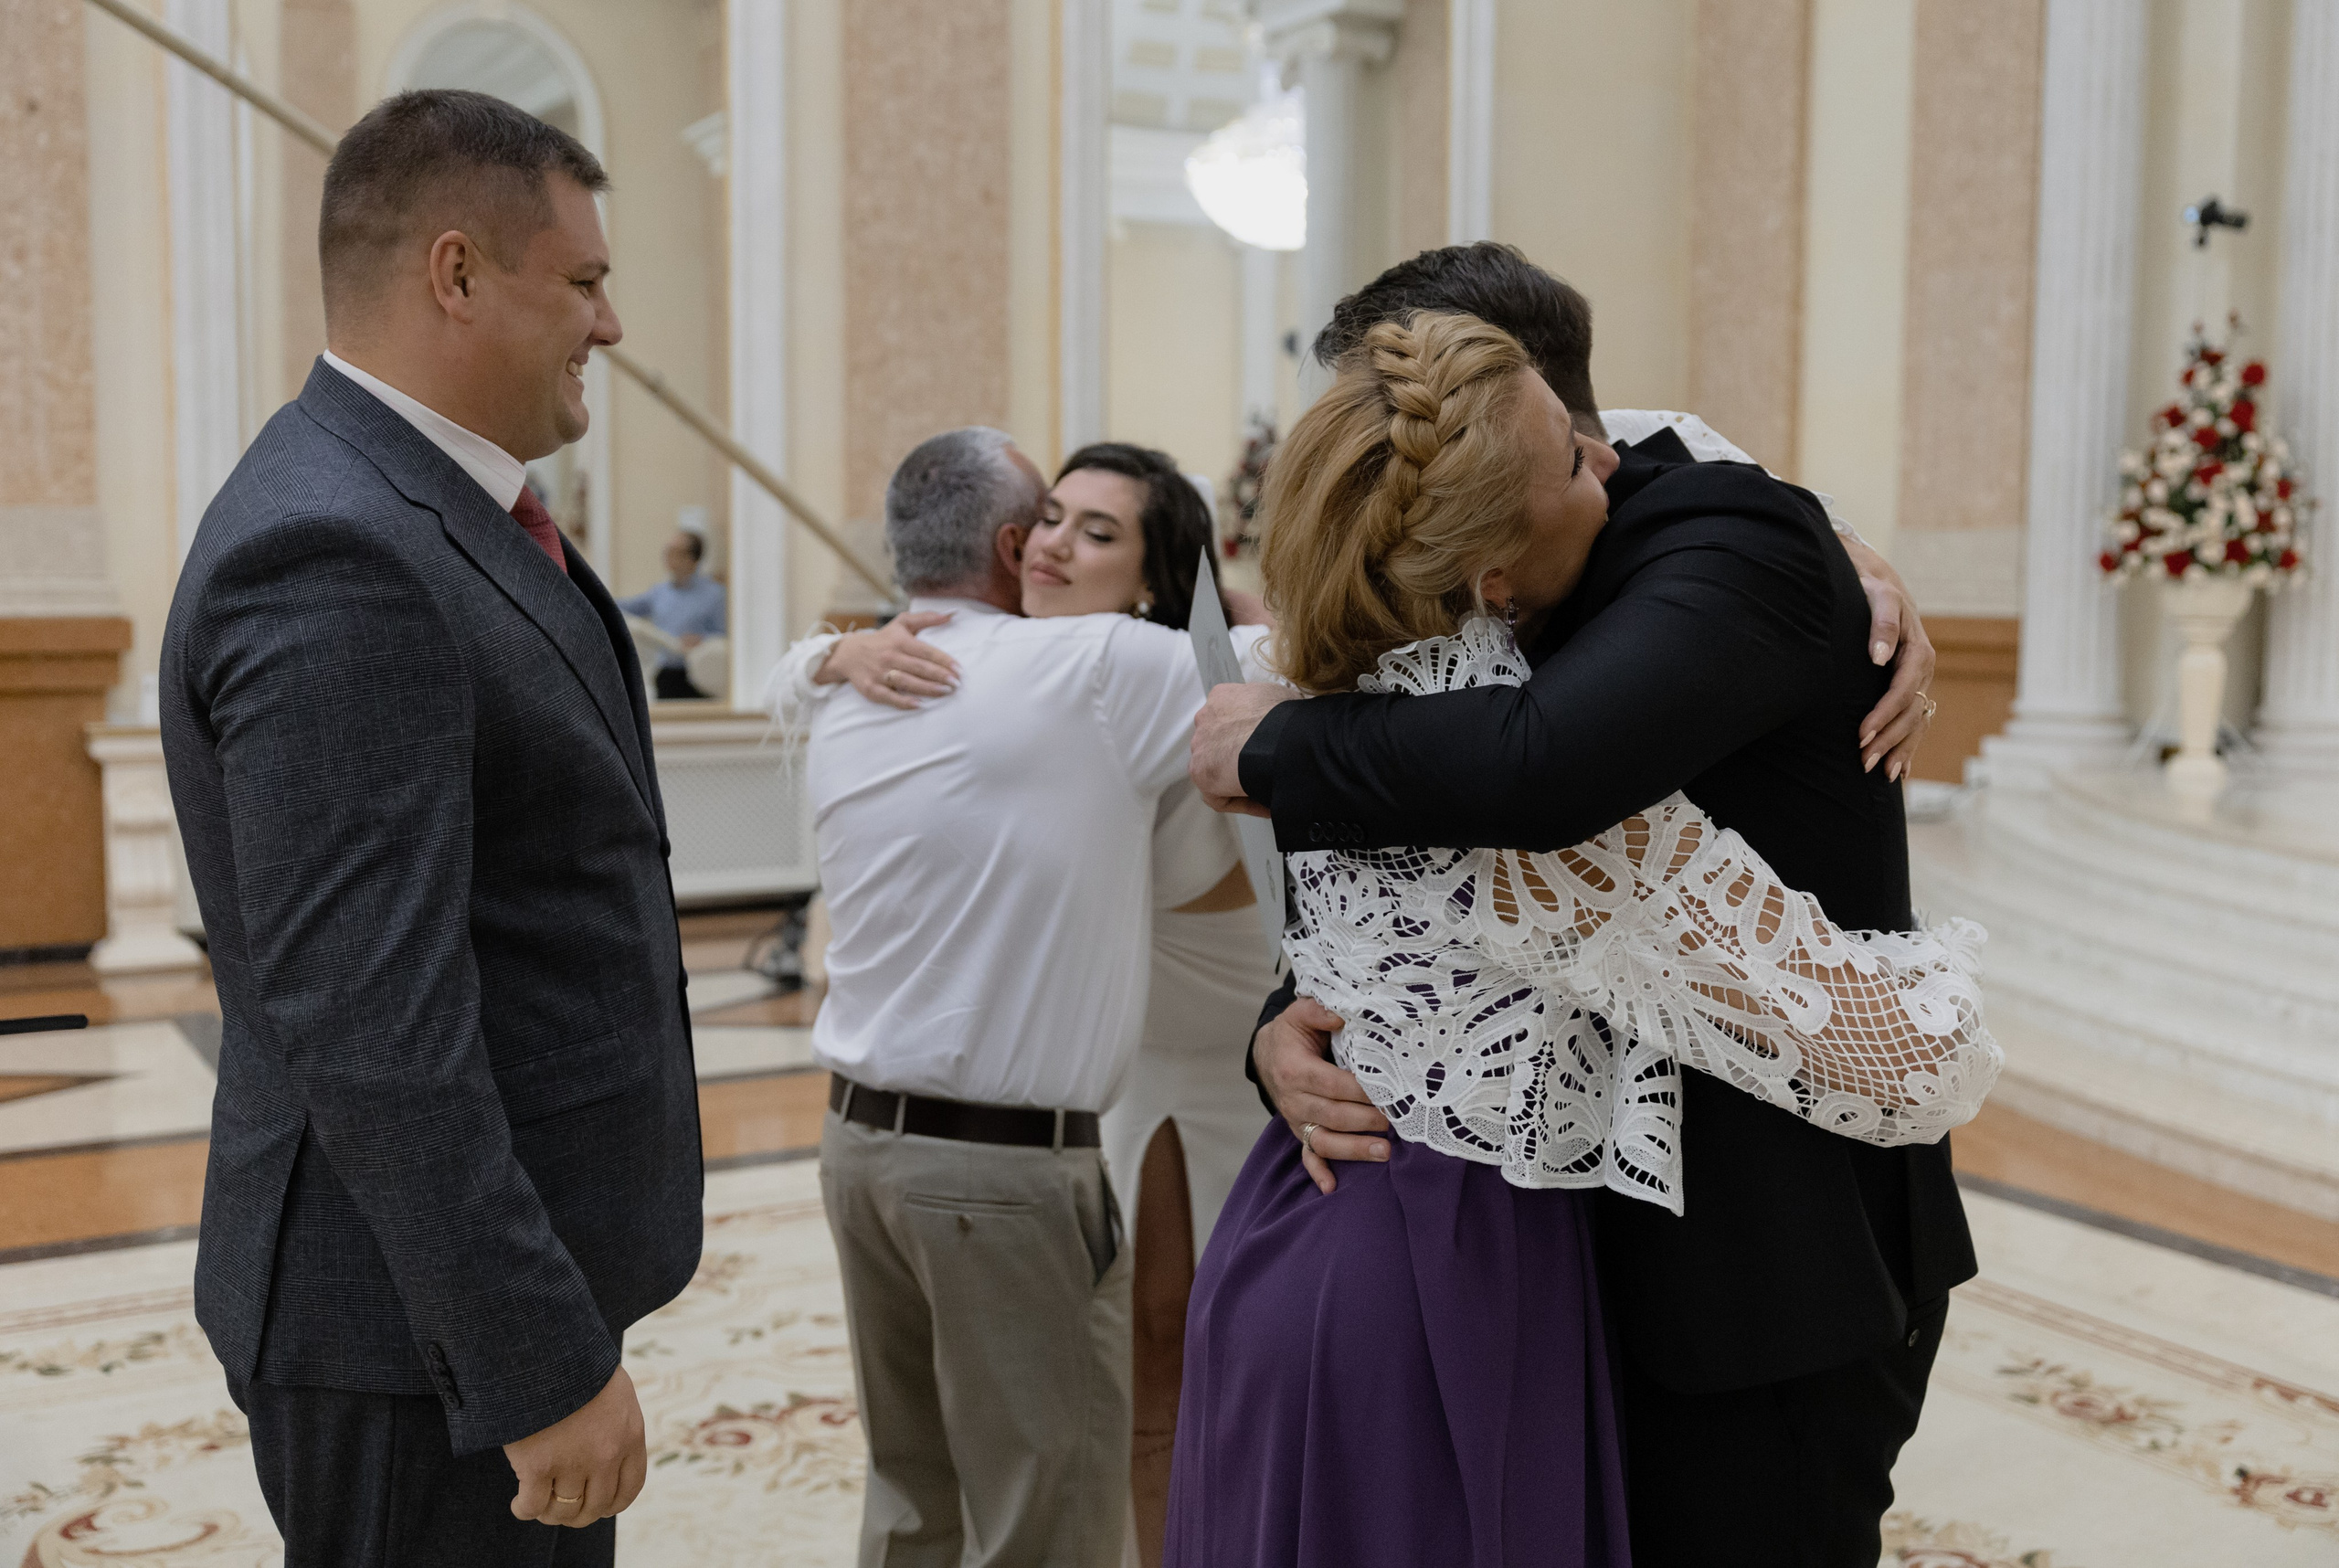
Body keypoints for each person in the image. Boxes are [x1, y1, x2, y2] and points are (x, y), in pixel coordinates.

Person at [1167, 309, 1996, 1567]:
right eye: (1568, 455)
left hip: (1345, 1243)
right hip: (1453, 1278)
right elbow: (1900, 1055)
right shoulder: (1506, 761)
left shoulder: (1327, 687)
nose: (1613, 460)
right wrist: (1282, 1029)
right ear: (1488, 571)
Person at [158, 90, 699, 1564]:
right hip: (409, 1335)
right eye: (583, 282)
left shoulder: (432, 507)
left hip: (456, 1306)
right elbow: (371, 1018)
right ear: (456, 274)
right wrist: (535, 1362)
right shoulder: (336, 546)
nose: (611, 326)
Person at [774, 440, 1277, 1564]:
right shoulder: (1075, 677)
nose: (1055, 543)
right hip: (1011, 1156)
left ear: (1151, 578)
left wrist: (820, 660)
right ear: (1008, 543)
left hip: (867, 1146)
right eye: (1049, 518)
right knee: (1041, 1515)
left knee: (921, 1496)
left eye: (1095, 531)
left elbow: (1290, 661)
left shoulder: (948, 669)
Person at [618, 526, 726, 699]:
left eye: (675, 552)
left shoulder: (715, 595)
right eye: (667, 551)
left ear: (692, 558)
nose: (668, 557)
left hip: (699, 677)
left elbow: (725, 635)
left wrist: (703, 639)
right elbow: (625, 608)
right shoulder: (659, 592)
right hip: (666, 674)